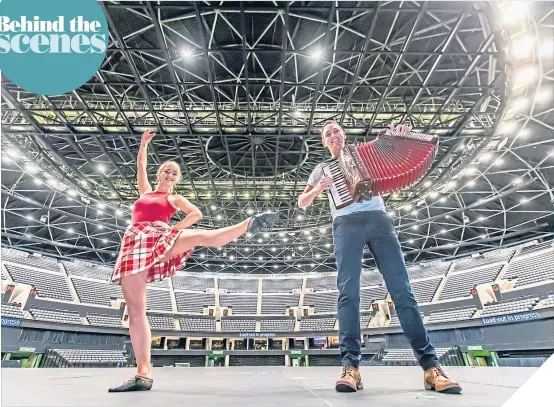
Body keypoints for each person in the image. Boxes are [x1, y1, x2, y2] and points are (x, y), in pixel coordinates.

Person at [297, 121, 462, 394]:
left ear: (343, 134)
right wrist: (318, 188)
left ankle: (432, 368)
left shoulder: (366, 153)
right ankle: (351, 368)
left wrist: (400, 141)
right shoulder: (321, 169)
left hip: (379, 220)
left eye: (336, 130)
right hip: (345, 223)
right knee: (348, 293)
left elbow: (396, 160)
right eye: (327, 134)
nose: (333, 135)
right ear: (324, 142)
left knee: (402, 291)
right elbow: (302, 202)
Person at [108, 129, 279, 392]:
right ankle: (143, 373)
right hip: (133, 243)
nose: (170, 174)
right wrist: (143, 145)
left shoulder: (173, 198)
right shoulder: (144, 193)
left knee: (201, 236)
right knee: (135, 310)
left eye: (175, 173)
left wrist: (174, 229)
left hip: (159, 237)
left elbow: (196, 213)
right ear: (159, 173)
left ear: (177, 179)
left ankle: (248, 224)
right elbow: (140, 165)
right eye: (167, 170)